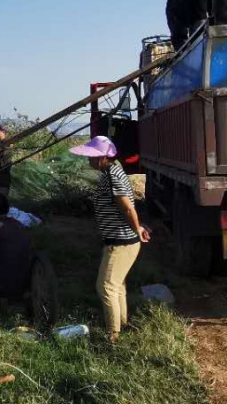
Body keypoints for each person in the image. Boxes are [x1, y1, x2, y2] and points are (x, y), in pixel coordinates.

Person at [70, 135, 150, 342]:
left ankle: (113, 336)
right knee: (117, 285)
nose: (88, 160)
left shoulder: (113, 175)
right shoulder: (111, 172)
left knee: (105, 286)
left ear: (102, 157)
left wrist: (137, 228)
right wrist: (137, 227)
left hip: (121, 242)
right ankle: (122, 325)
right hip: (118, 240)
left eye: (91, 156)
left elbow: (126, 206)